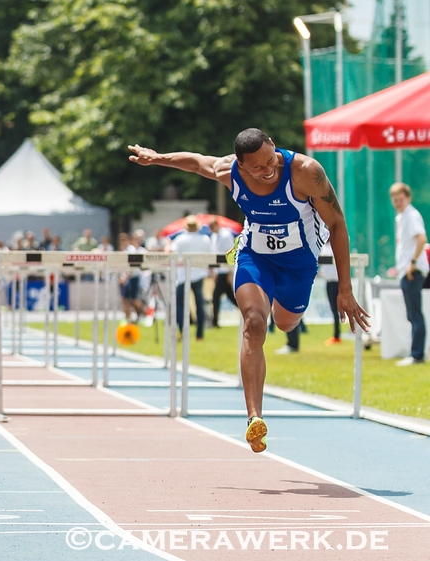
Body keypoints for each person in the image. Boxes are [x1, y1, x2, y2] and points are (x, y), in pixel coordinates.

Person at [128, 128, 369, 453]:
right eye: (256, 167)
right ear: (241, 165)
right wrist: (158, 158)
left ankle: (282, 320)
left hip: (299, 264)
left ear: (273, 145)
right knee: (254, 323)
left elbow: (337, 224)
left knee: (285, 323)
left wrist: (345, 288)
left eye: (271, 160)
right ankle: (254, 417)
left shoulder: (305, 172)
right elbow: (197, 162)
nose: (267, 169)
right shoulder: (229, 171)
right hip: (256, 255)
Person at [390, 182, 428, 366]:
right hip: (405, 270)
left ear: (408, 198)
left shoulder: (411, 215)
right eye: (395, 200)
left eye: (400, 199)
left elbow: (421, 238)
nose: (398, 203)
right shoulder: (402, 217)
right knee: (412, 314)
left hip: (412, 271)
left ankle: (417, 354)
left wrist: (412, 264)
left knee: (415, 313)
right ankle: (416, 352)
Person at [171, 215, 212, 340]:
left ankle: (183, 330)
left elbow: (173, 253)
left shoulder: (180, 239)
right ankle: (200, 334)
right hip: (199, 274)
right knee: (199, 304)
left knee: (179, 304)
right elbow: (209, 255)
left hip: (183, 275)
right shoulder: (204, 239)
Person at [209, 218, 238, 327]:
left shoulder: (226, 235)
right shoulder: (213, 237)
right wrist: (214, 272)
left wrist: (230, 272)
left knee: (216, 296)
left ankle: (214, 321)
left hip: (225, 270)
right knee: (230, 296)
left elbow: (231, 253)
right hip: (219, 270)